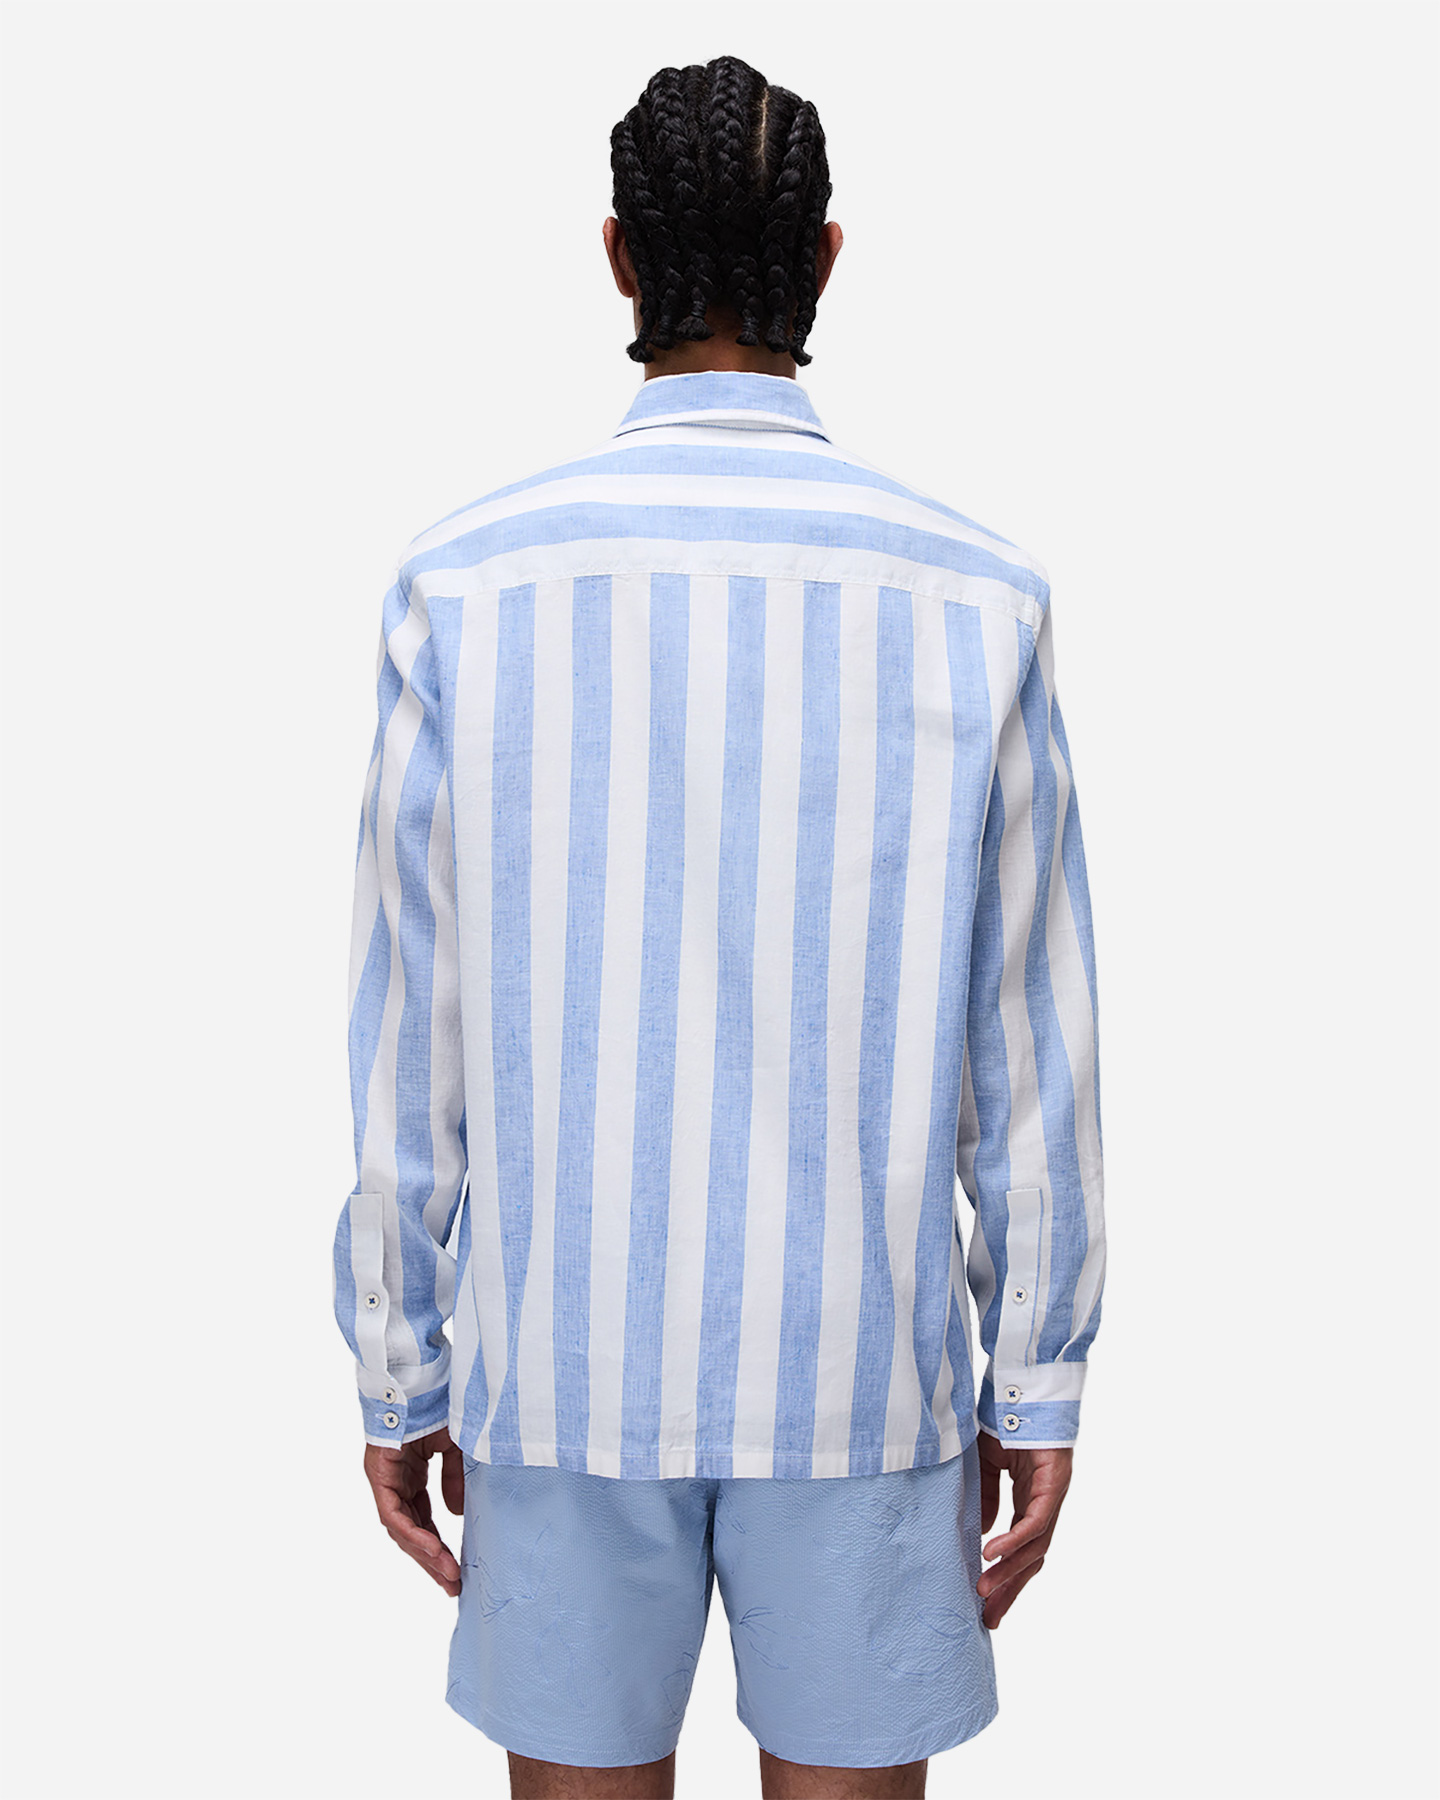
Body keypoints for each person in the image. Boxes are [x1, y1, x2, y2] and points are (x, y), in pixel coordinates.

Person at [332, 53, 1106, 1800]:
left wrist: (396, 1357)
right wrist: (1039, 1377)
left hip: (558, 1372)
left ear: (618, 255)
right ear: (825, 258)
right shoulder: (973, 592)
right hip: (865, 1380)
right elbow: (1033, 1046)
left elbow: (407, 1028)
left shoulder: (467, 582)